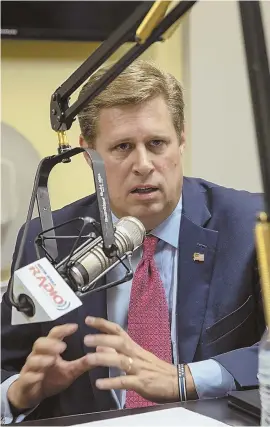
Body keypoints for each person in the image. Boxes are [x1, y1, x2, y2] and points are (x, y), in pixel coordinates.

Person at [1, 60, 265, 424]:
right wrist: (20, 392)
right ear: (87, 153)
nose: (143, 164)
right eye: (123, 147)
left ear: (182, 139)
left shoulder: (249, 224)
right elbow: (5, 362)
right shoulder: (47, 239)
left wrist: (186, 379)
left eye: (157, 143)